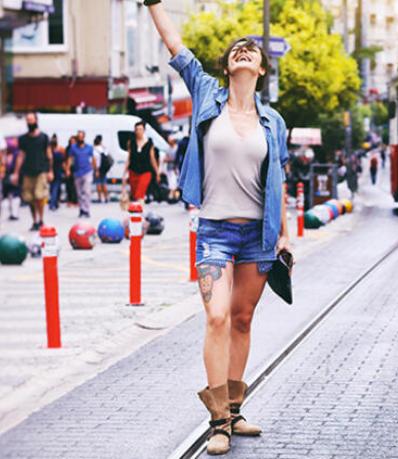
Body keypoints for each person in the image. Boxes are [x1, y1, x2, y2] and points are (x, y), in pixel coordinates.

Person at [146, 1, 291, 455]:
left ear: (262, 69)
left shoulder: (274, 122)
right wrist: (153, 4)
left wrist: (285, 234)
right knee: (216, 316)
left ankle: (235, 408)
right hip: (215, 231)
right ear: (227, 67)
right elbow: (175, 45)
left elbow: (279, 178)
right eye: (237, 49)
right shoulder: (207, 94)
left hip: (259, 235)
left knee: (243, 320)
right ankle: (217, 423)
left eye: (252, 50)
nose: (244, 51)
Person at [11, 113, 53, 231]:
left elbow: (49, 155)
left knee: (39, 195)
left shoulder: (44, 137)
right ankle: (34, 221)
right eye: (27, 120)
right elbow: (20, 156)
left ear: (36, 120)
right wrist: (16, 173)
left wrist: (50, 171)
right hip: (27, 172)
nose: (29, 122)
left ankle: (41, 219)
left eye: (31, 120)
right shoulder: (23, 139)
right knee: (29, 198)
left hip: (41, 171)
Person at [122, 121, 159, 203]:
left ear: (144, 130)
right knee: (135, 194)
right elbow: (129, 158)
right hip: (133, 171)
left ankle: (139, 210)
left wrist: (157, 172)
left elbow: (152, 159)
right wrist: (124, 173)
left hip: (146, 171)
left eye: (140, 129)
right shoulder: (131, 142)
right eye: (137, 129)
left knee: (140, 193)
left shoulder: (149, 143)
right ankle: (136, 211)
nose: (138, 131)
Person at [67, 130, 97, 218]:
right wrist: (68, 169)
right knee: (79, 192)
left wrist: (95, 169)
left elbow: (93, 158)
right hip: (77, 172)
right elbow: (70, 158)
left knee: (87, 191)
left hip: (87, 171)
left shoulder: (89, 147)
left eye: (81, 136)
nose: (80, 138)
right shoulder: (73, 147)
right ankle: (82, 209)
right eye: (79, 136)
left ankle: (87, 209)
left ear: (84, 137)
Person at [48, 135, 64, 211]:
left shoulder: (49, 153)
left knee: (52, 188)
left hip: (51, 171)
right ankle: (53, 203)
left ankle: (53, 202)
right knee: (56, 188)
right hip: (58, 171)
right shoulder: (59, 152)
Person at [95, 135, 111, 203]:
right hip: (104, 168)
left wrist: (96, 170)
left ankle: (100, 198)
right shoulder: (104, 148)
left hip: (98, 168)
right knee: (104, 183)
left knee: (98, 183)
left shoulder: (95, 149)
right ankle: (106, 197)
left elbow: (95, 160)